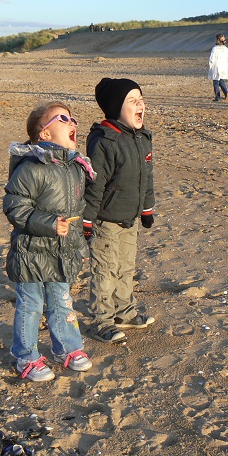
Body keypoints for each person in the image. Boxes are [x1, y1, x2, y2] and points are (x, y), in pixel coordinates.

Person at [3, 101, 96, 382]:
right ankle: (26, 356)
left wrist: (79, 246)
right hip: (31, 251)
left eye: (72, 119)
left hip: (62, 251)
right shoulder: (31, 167)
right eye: (63, 119)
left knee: (62, 301)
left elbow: (77, 212)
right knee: (30, 305)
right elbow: (15, 207)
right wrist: (48, 223)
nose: (72, 123)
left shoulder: (76, 167)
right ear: (44, 133)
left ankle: (67, 347)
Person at [83, 78, 156, 344]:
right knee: (105, 271)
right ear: (116, 108)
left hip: (130, 218)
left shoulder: (142, 138)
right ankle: (102, 320)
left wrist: (146, 209)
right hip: (105, 220)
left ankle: (124, 312)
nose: (140, 105)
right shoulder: (105, 141)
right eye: (132, 101)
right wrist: (87, 220)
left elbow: (147, 178)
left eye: (141, 100)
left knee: (126, 268)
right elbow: (94, 184)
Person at [208, 33, 228, 101]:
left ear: (218, 40)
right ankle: (226, 93)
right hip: (224, 67)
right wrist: (225, 64)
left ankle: (217, 97)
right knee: (221, 81)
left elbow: (212, 59)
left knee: (216, 82)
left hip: (216, 67)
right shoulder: (225, 48)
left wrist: (210, 66)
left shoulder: (215, 49)